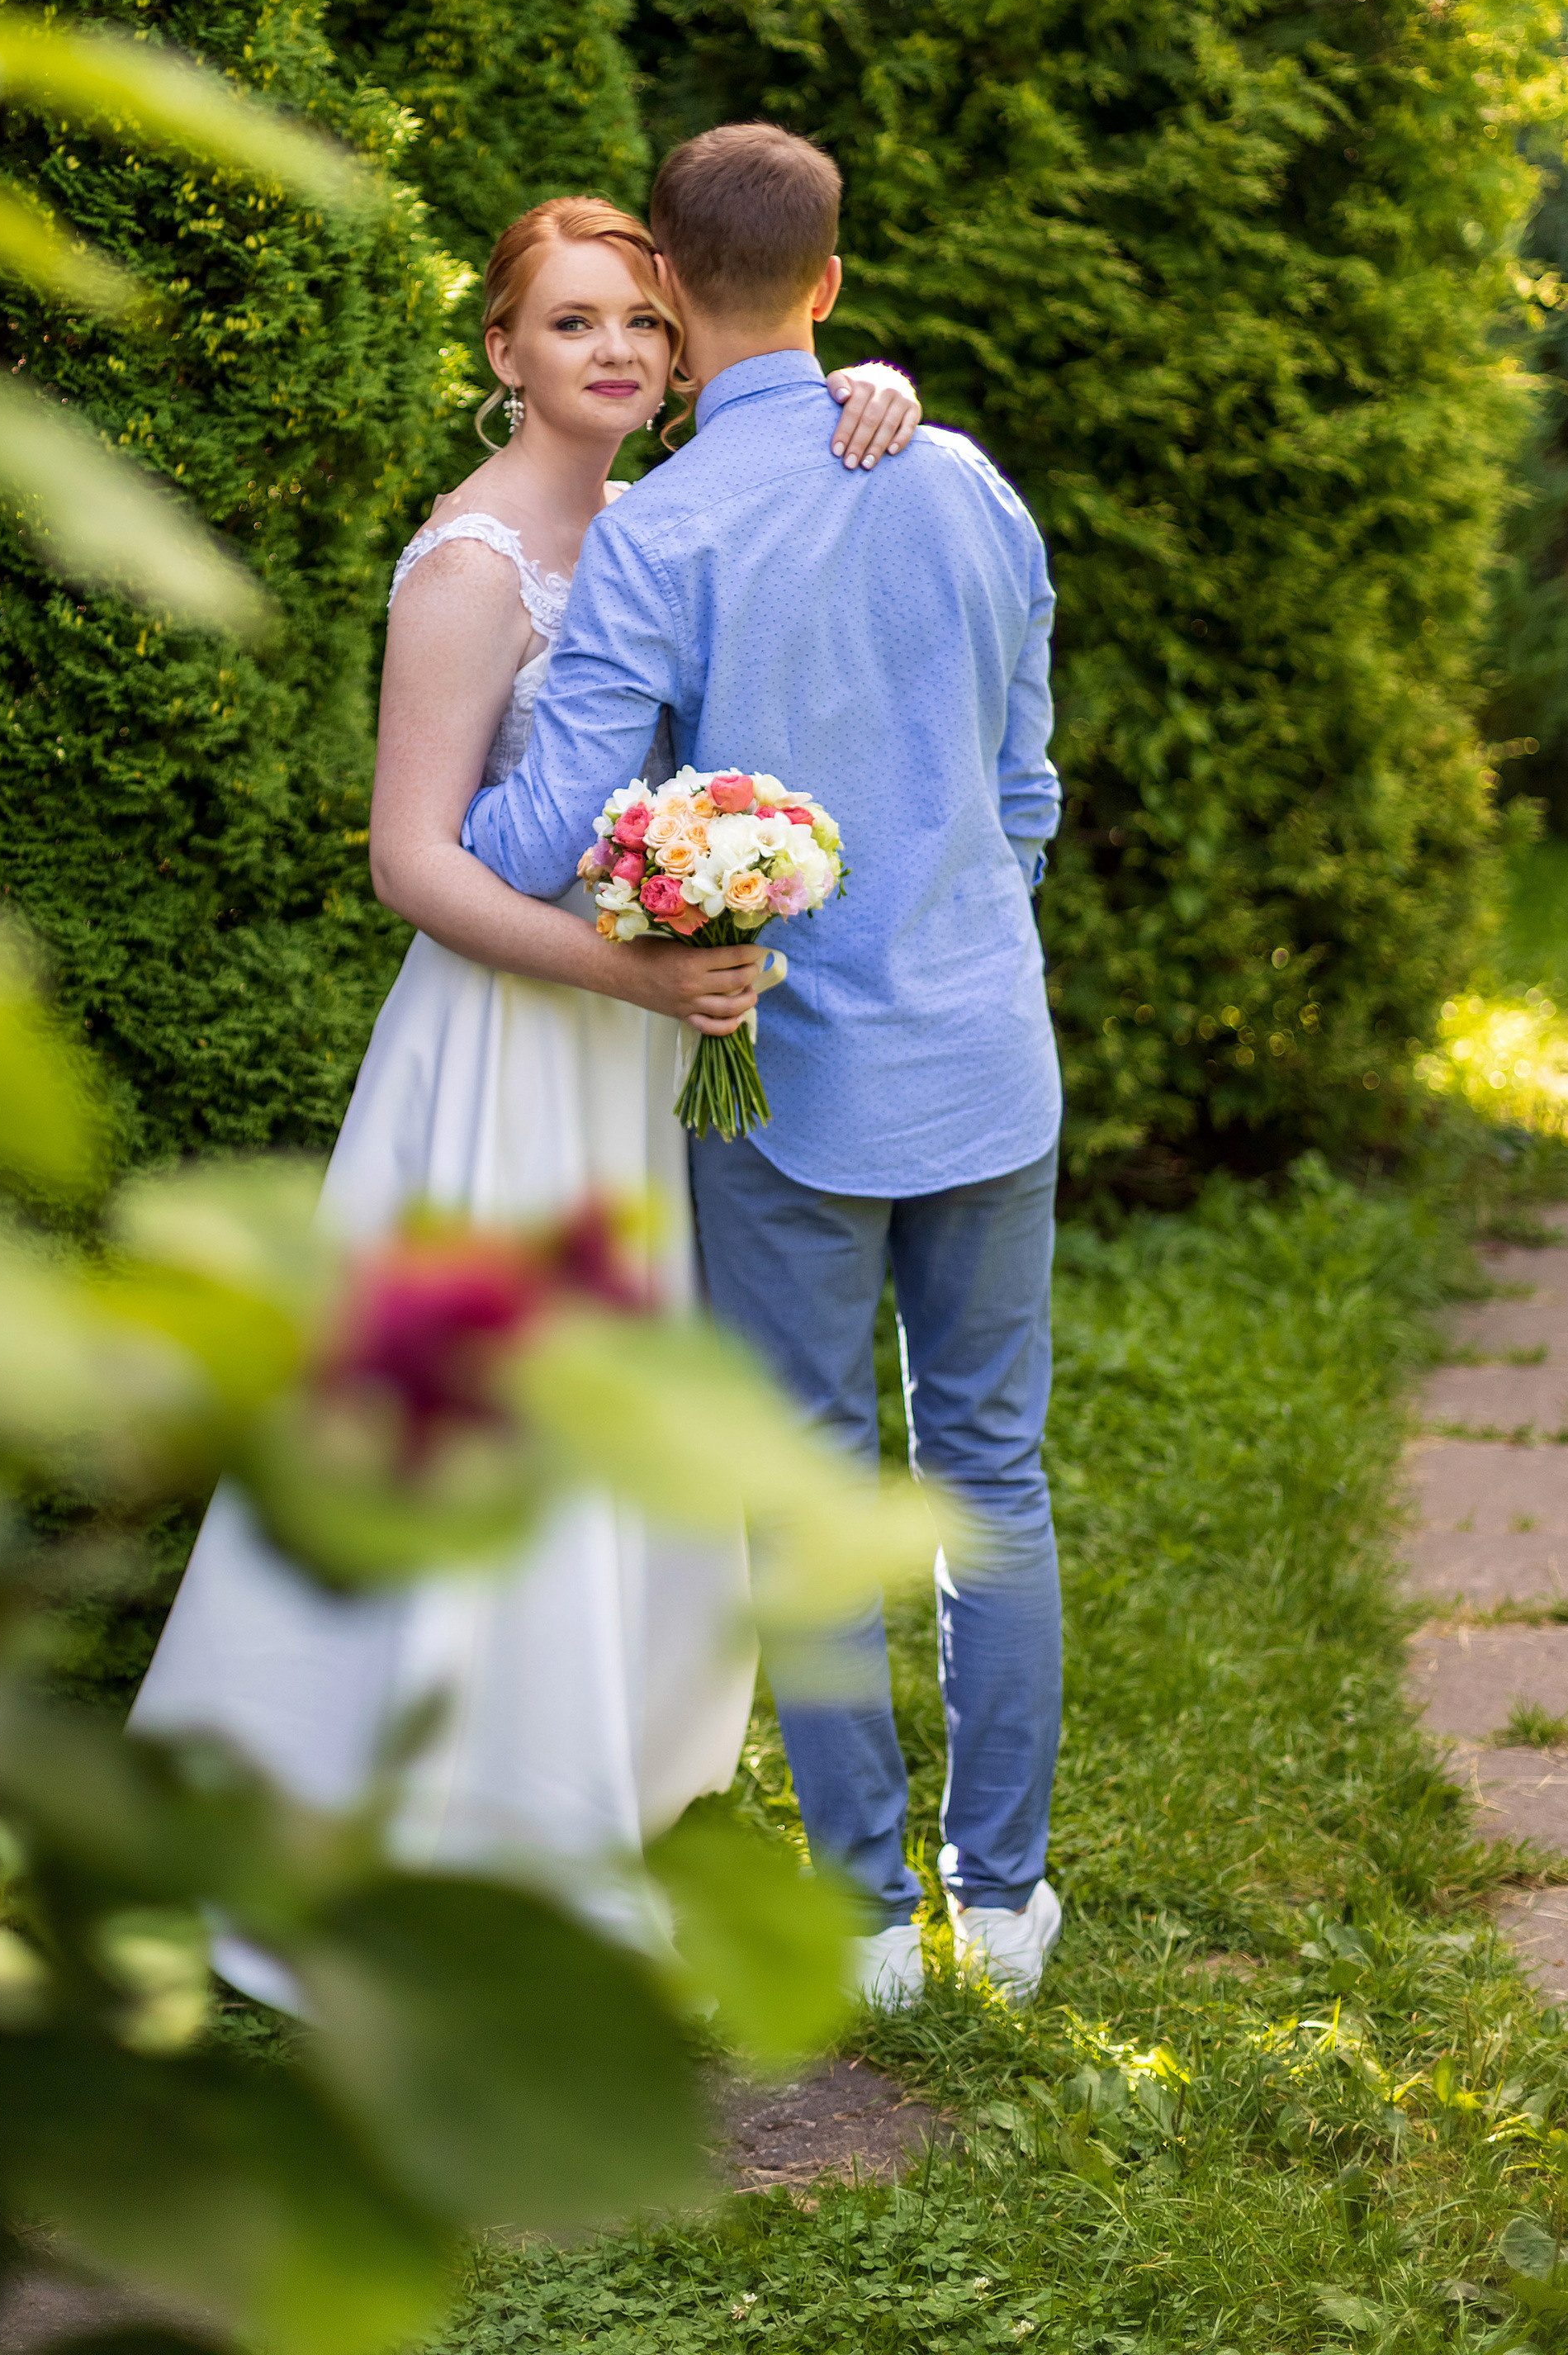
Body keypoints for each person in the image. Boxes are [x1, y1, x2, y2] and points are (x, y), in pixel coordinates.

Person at [129, 192, 923, 2002]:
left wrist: (864, 385)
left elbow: (805, 514)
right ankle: (430, 1820)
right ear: (503, 356)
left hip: (643, 1060)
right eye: (574, 324)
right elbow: (414, 864)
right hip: (510, 1046)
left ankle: (606, 1787)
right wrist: (636, 971)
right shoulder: (472, 565)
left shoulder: (661, 523)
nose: (622, 352)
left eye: (644, 322)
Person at [464, 126, 1065, 2009]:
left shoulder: (662, 528)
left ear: (670, 295)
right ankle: (1015, 1904)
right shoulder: (968, 483)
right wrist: (960, 918)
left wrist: (472, 790)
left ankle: (876, 1922)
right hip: (990, 1056)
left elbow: (536, 830)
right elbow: (1026, 789)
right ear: (830, 278)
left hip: (784, 1077)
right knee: (991, 1479)